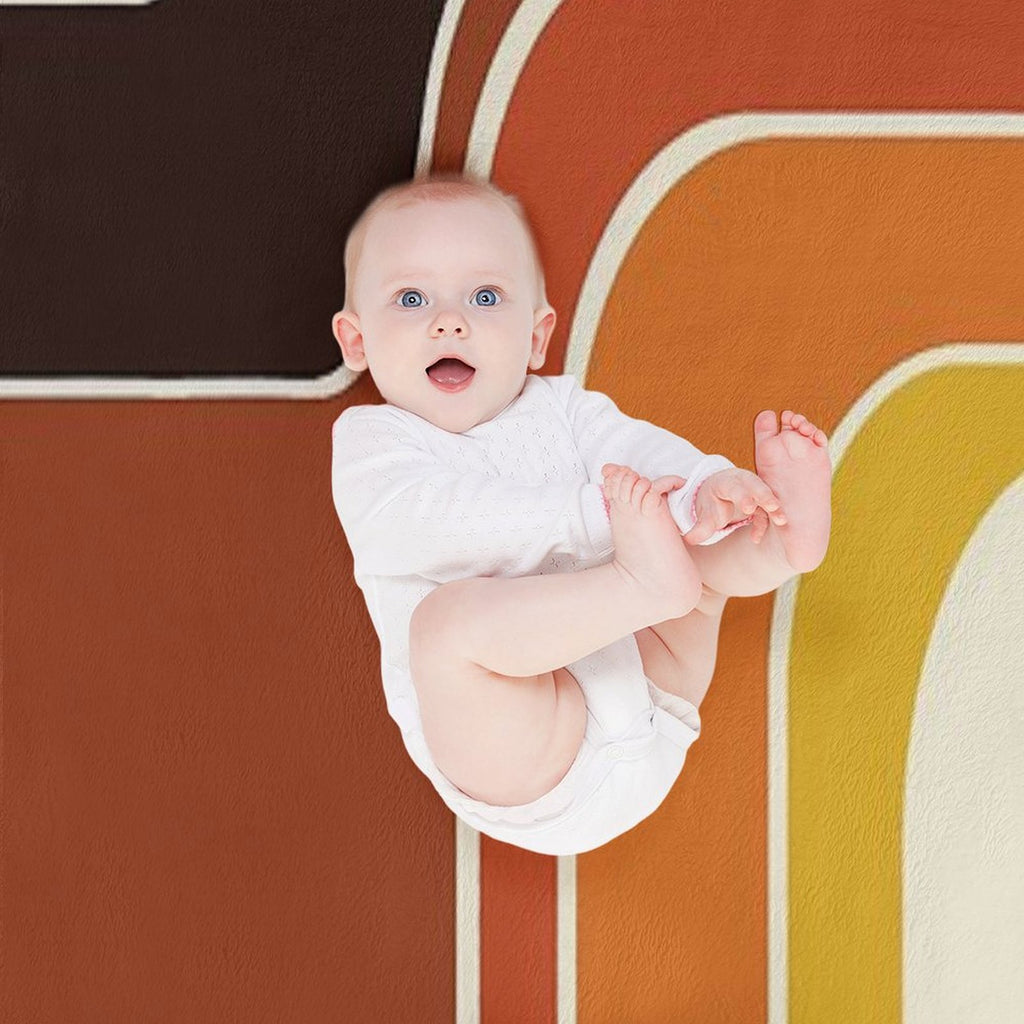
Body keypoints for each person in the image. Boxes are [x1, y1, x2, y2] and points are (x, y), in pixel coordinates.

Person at [329, 172, 832, 855]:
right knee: (444, 628)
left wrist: (705, 489)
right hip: (532, 752)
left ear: (536, 338)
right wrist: (596, 514)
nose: (451, 321)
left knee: (698, 560)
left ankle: (775, 542)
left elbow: (639, 452)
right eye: (411, 298)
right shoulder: (375, 442)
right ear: (357, 342)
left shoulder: (563, 409)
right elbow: (431, 525)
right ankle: (649, 583)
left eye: (485, 296)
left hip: (654, 687)